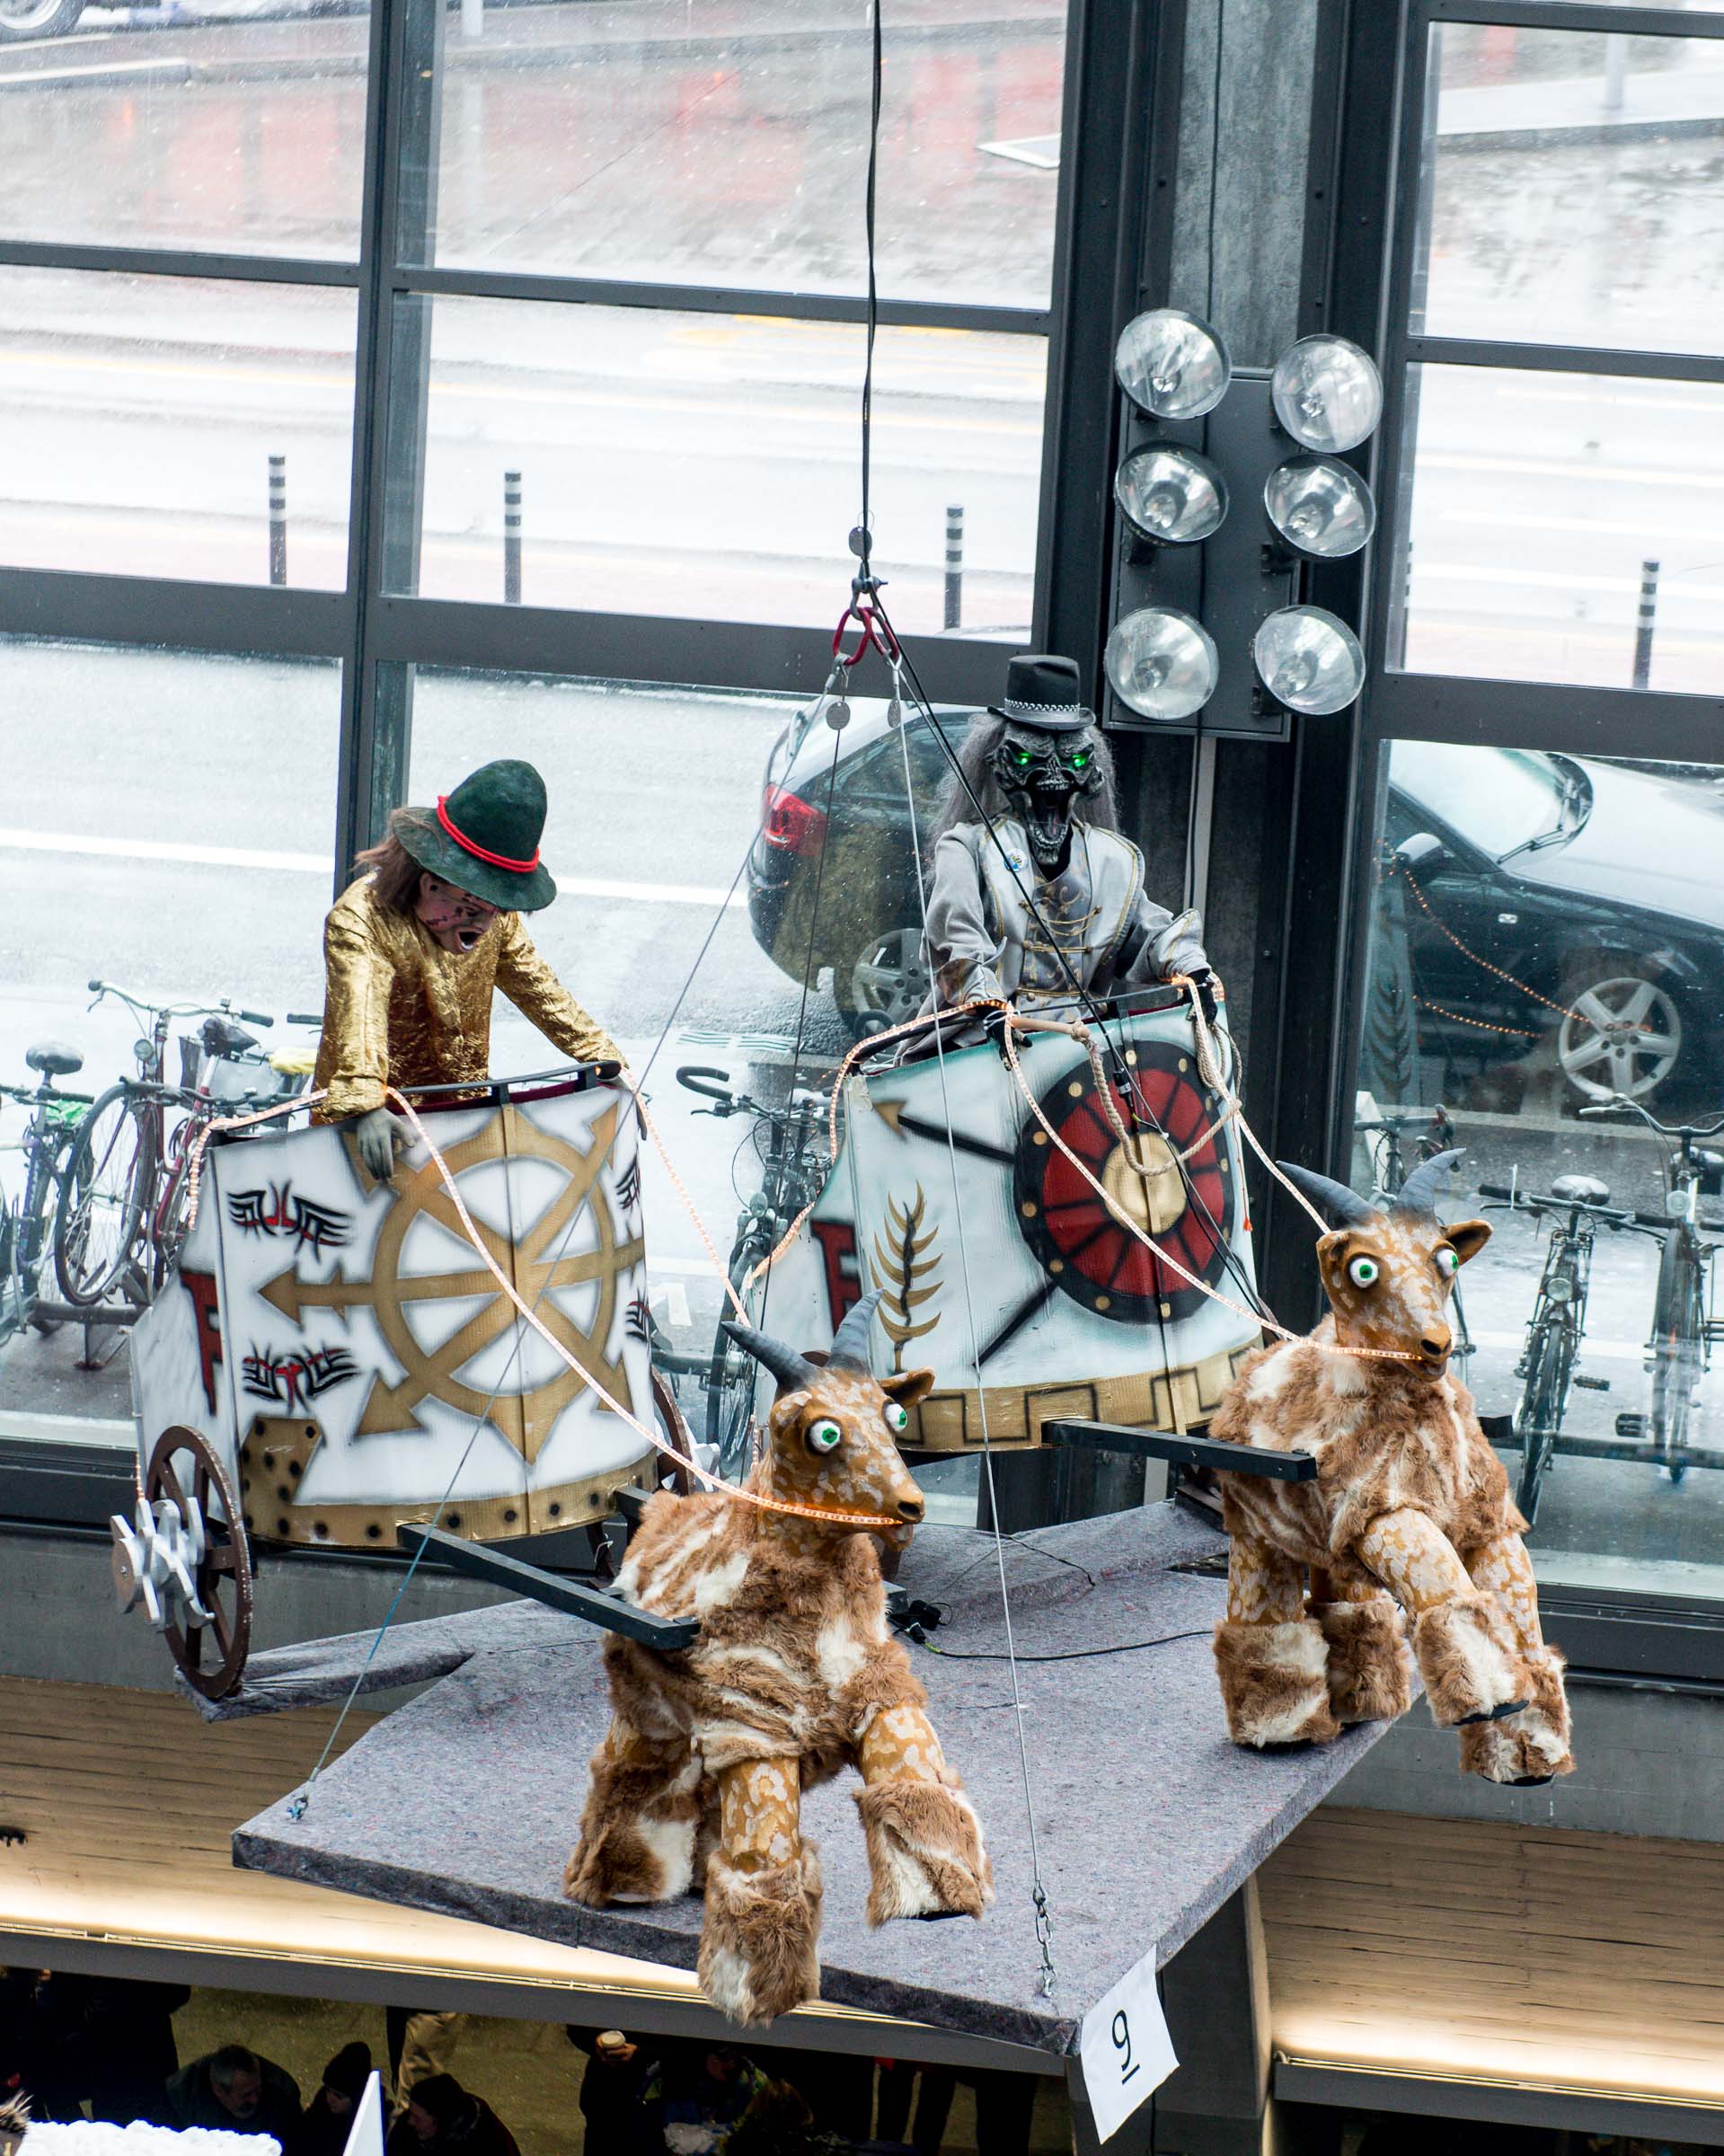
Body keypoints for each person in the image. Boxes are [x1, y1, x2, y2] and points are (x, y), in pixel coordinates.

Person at [313, 759, 623, 1180]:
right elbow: (360, 1015)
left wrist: (609, 1063)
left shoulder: (495, 922)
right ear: (429, 883)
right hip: (375, 1135)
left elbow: (544, 993)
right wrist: (365, 1106)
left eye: (497, 909)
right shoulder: (362, 920)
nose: (485, 923)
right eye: (473, 907)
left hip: (459, 1124)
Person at [917, 653, 1216, 1045]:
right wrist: (984, 1001)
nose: (1054, 778)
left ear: (1091, 774)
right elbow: (958, 938)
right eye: (1028, 758)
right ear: (1000, 765)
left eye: (1072, 760)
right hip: (982, 1039)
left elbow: (1148, 934)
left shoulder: (1113, 859)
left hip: (1079, 1044)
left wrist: (1194, 970)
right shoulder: (966, 848)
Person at [166, 2044, 301, 2140]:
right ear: (219, 2091)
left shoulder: (283, 2095)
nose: (255, 2099)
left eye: (258, 2089)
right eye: (246, 2094)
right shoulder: (183, 2098)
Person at [385, 2072, 518, 2156]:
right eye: (411, 2114)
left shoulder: (485, 2142)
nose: (410, 2121)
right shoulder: (411, 2126)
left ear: (441, 2121)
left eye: (418, 2118)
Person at [287, 2043, 374, 2156]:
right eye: (328, 2090)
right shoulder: (322, 2104)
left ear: (356, 2097)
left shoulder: (368, 2121)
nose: (330, 2099)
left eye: (338, 2096)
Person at [570, 2029, 648, 2152]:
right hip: (605, 2098)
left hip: (661, 2101)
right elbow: (575, 2025)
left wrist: (642, 2053)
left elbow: (685, 2046)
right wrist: (595, 2040)